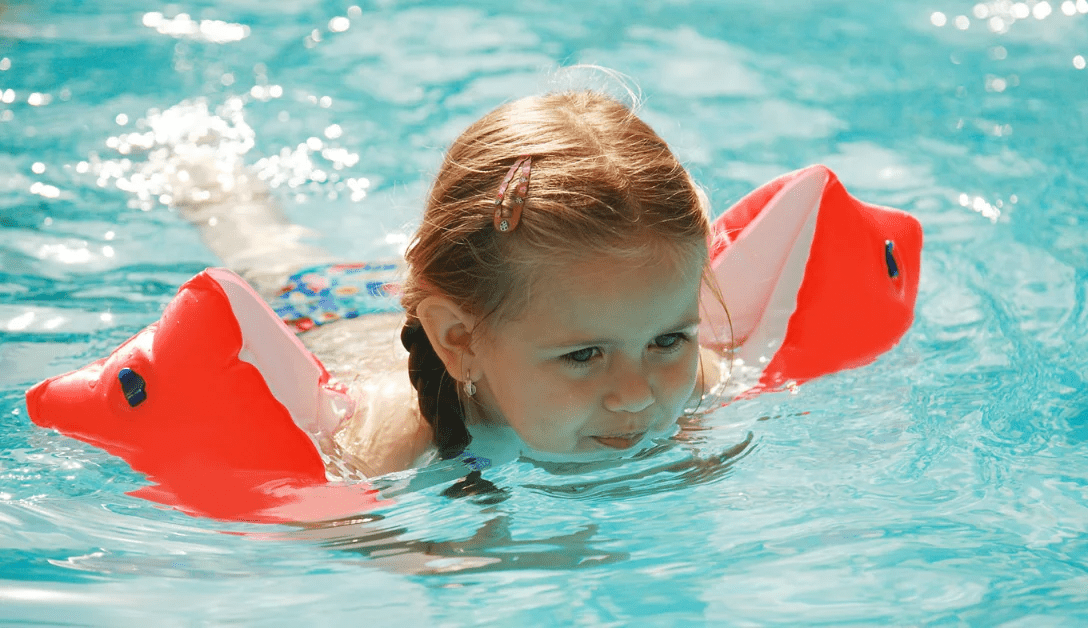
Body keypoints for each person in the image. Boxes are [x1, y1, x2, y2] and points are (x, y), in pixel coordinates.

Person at [170, 90, 727, 479]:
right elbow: (330, 529)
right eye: (584, 355)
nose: (636, 394)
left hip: (479, 293)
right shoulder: (384, 444)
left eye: (668, 340)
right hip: (328, 311)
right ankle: (202, 169)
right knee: (263, 247)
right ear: (460, 341)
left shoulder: (689, 381)